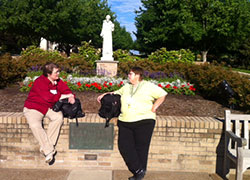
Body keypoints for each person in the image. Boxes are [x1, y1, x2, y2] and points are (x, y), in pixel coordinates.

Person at [97, 67, 167, 180]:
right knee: (124, 147)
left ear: (138, 75)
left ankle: (138, 174)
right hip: (125, 121)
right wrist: (104, 94)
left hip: (144, 121)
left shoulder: (148, 86)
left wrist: (155, 107)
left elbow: (162, 94)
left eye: (131, 74)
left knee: (141, 148)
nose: (128, 76)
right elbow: (115, 93)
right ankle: (138, 169)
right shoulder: (126, 87)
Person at [23, 63, 75, 163]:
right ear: (48, 74)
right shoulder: (40, 81)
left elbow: (67, 91)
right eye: (56, 72)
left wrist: (70, 96)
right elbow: (48, 97)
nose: (58, 74)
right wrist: (62, 96)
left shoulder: (58, 81)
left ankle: (47, 148)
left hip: (48, 107)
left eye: (58, 71)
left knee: (58, 118)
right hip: (34, 107)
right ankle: (49, 152)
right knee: (35, 125)